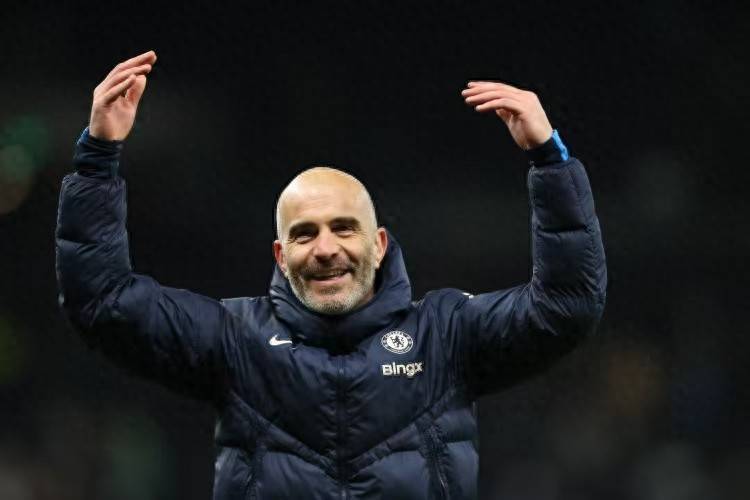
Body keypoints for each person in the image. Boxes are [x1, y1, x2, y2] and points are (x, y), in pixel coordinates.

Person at [56, 50, 607, 499]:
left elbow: (566, 306)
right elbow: (103, 303)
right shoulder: (237, 340)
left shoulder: (444, 335)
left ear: (378, 244)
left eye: (343, 228)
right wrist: (98, 155)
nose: (325, 249)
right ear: (280, 255)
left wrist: (550, 159)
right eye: (304, 234)